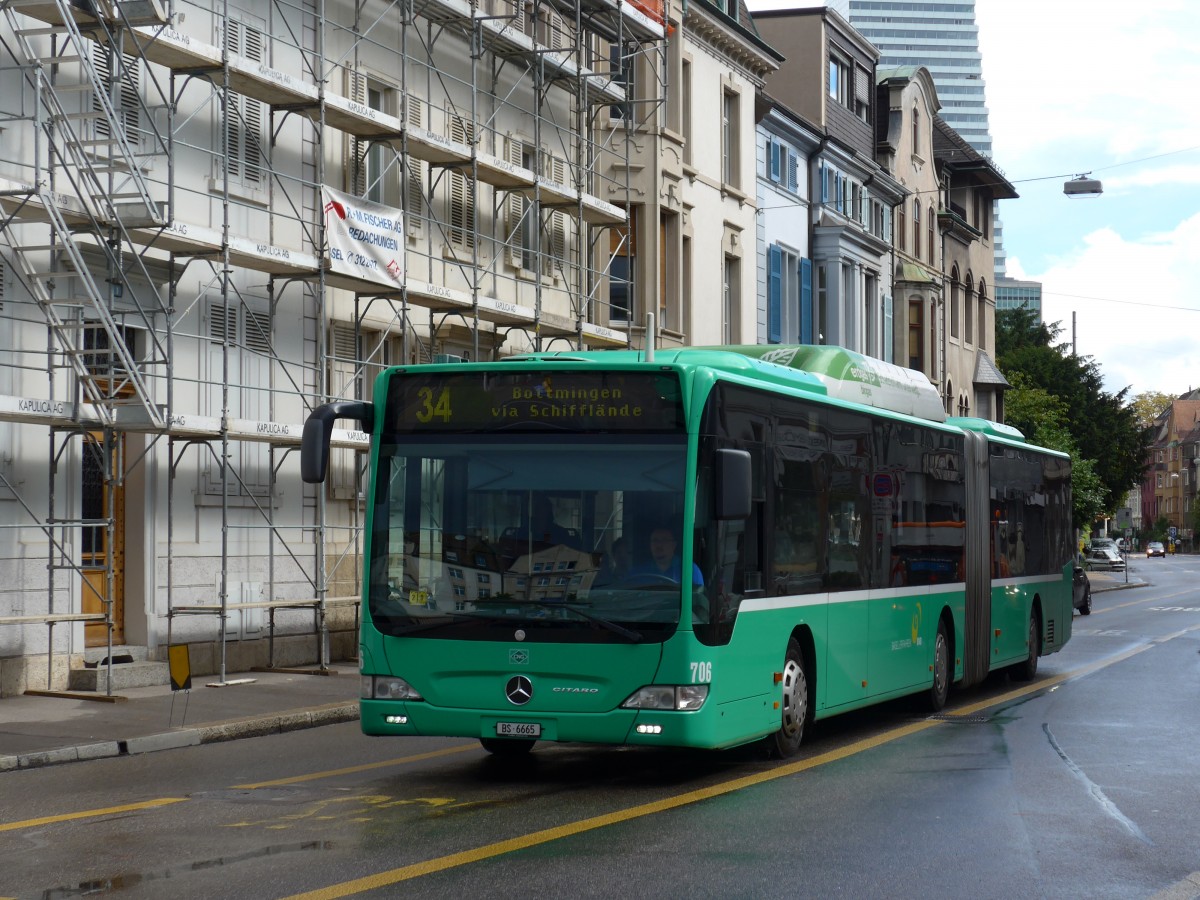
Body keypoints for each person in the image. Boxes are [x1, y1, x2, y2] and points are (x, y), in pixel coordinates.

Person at [629, 527, 704, 587]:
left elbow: (697, 601)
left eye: (664, 540)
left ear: (674, 545)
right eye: (655, 540)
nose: (659, 545)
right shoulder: (637, 573)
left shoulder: (690, 570)